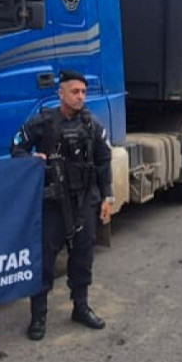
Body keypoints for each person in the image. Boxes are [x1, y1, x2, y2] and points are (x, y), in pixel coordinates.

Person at [11, 69, 113, 341]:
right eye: (75, 92)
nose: (80, 97)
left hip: (84, 202)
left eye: (83, 92)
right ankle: (38, 316)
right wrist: (32, 159)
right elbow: (16, 147)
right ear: (61, 93)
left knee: (83, 258)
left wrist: (107, 197)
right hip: (53, 204)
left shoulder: (92, 125)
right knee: (44, 261)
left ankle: (81, 307)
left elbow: (104, 162)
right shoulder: (43, 122)